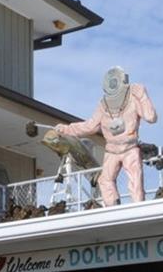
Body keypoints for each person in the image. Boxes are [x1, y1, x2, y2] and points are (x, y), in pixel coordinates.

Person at [50, 66, 157, 205]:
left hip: (130, 148)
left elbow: (151, 117)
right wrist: (66, 129)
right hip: (111, 150)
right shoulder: (103, 105)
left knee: (135, 180)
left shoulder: (133, 99)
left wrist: (142, 96)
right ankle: (112, 207)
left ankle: (138, 207)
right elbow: (89, 126)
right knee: (105, 180)